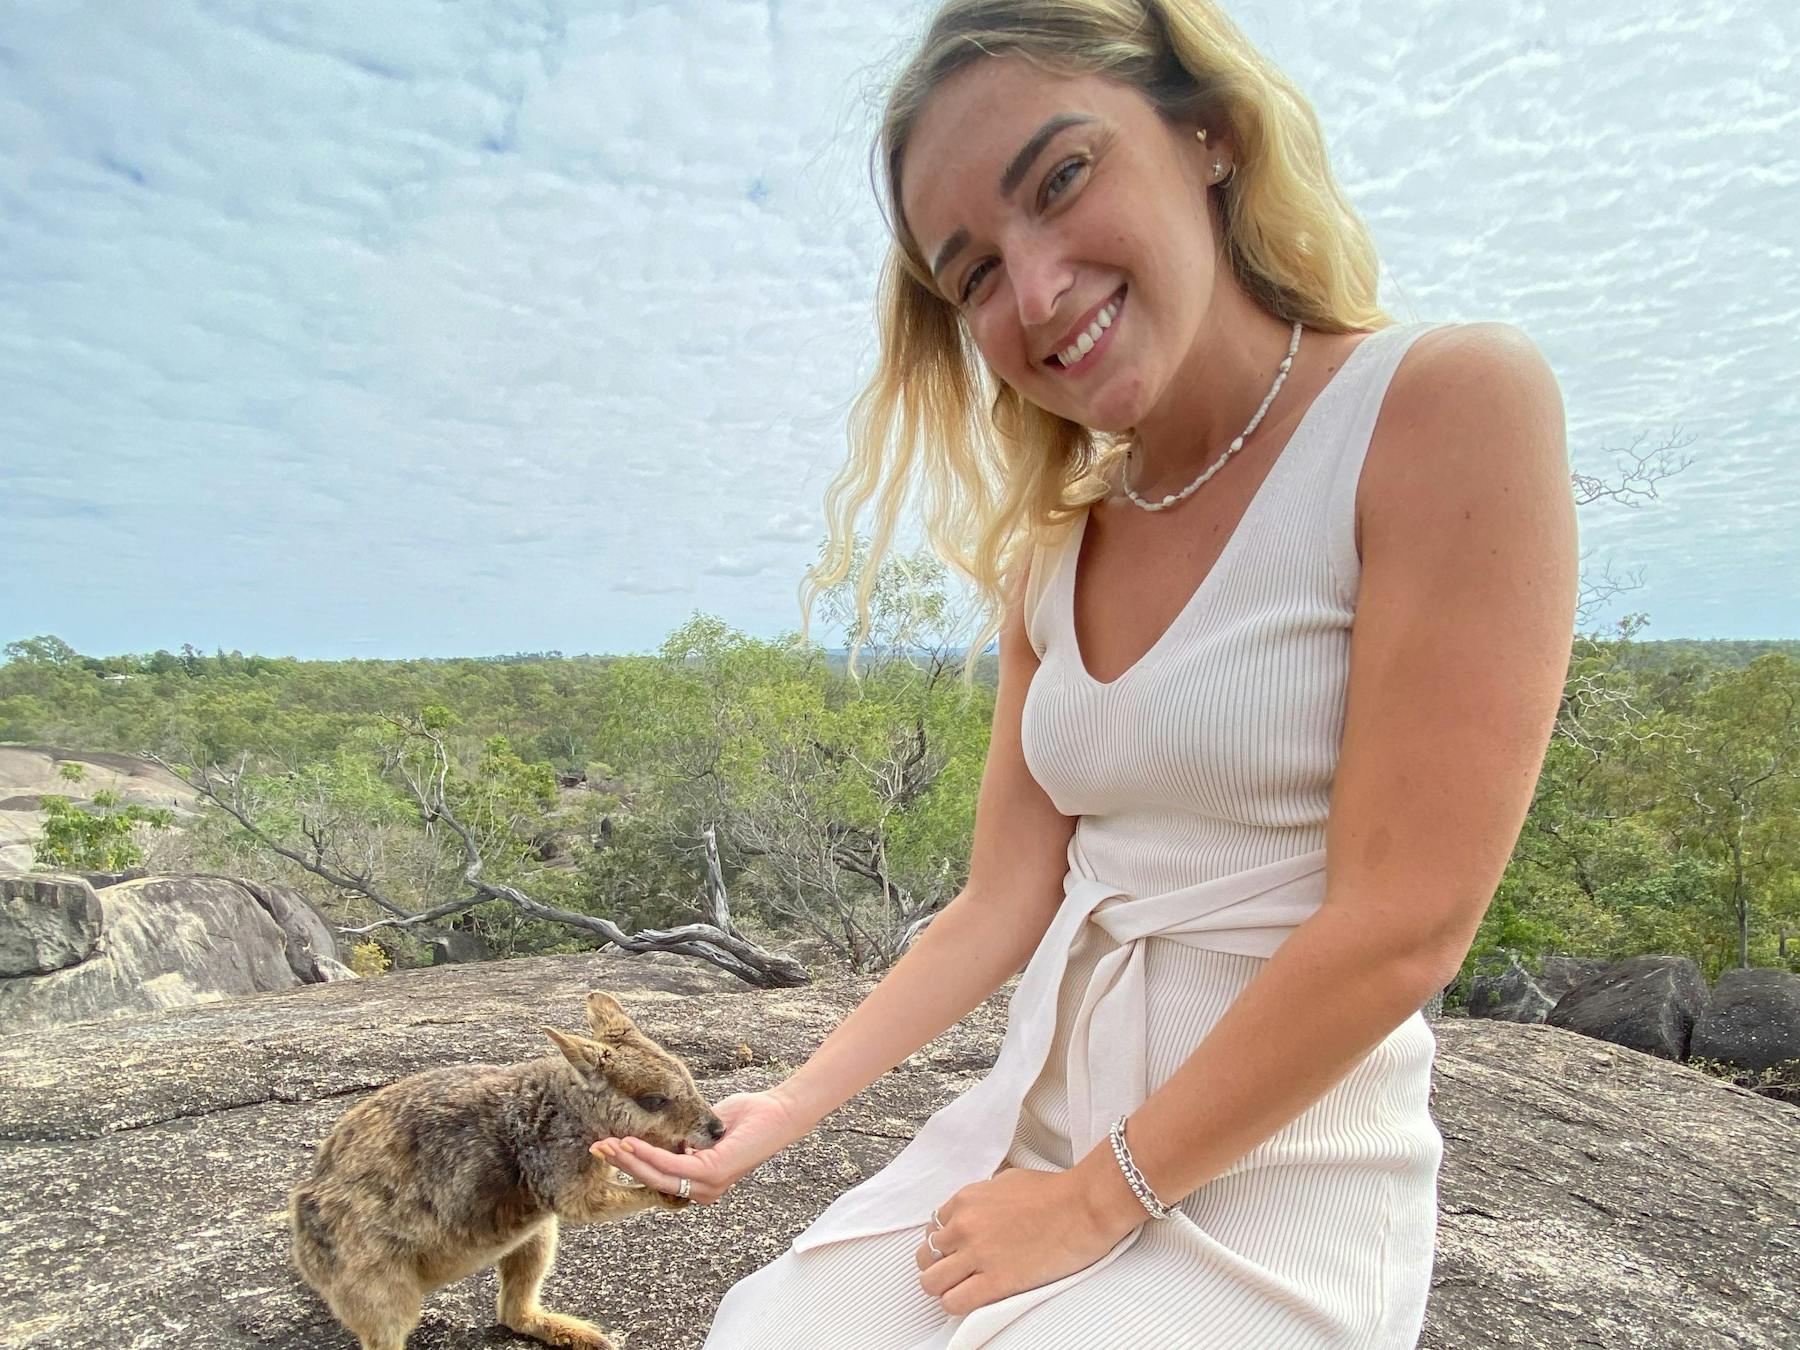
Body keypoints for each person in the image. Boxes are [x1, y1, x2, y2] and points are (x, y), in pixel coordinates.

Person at [592, 0, 1578, 1345]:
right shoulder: (1052, 553)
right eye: (974, 273)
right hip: (1043, 1129)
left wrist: (1094, 1200)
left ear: (1209, 134)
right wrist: (787, 1106)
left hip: (1280, 1178)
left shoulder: (1442, 406)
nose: (1037, 289)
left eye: (1061, 180)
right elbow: (1004, 897)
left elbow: (1405, 919)